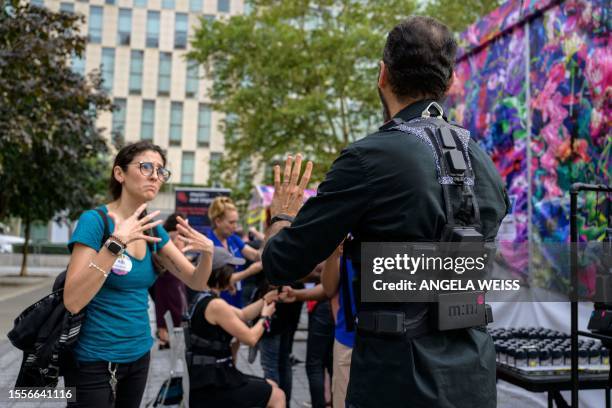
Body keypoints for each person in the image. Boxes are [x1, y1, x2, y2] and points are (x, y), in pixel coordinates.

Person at [262, 16, 509, 408]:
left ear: (382, 75)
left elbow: (280, 265)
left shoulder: (369, 158)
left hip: (396, 382)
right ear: (448, 85)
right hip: (474, 380)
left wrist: (282, 216)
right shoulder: (485, 164)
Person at [63, 141, 214, 407]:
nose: (156, 175)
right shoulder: (95, 221)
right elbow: (73, 300)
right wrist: (114, 244)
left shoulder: (154, 230)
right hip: (93, 360)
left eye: (161, 170)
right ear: (119, 173)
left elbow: (196, 281)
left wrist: (208, 253)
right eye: (146, 167)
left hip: (140, 355)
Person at [186, 246, 285, 408]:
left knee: (272, 385)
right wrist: (265, 317)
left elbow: (243, 315)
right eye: (230, 271)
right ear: (221, 274)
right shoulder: (216, 305)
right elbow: (251, 339)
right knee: (277, 396)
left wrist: (266, 299)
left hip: (207, 378)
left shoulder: (202, 298)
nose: (233, 276)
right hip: (212, 387)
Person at [207, 196, 263, 308]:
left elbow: (256, 255)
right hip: (217, 302)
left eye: (236, 222)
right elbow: (218, 279)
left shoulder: (232, 238)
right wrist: (250, 271)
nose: (235, 226)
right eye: (231, 222)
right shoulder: (209, 243)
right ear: (218, 221)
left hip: (236, 297)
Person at [152, 213, 188, 349]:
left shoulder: (166, 234)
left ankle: (164, 334)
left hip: (166, 276)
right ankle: (167, 336)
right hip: (171, 276)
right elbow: (178, 254)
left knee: (163, 306)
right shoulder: (175, 235)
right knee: (174, 308)